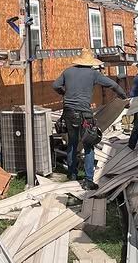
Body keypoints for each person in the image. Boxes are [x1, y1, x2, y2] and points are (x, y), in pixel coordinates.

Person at [53, 48, 127, 190]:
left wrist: (64, 92)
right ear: (90, 62)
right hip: (84, 115)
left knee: (72, 142)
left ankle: (72, 174)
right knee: (88, 144)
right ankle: (88, 180)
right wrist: (124, 97)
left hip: (68, 113)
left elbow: (55, 85)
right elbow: (113, 85)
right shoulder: (93, 74)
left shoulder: (68, 72)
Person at [127, 70, 138, 150]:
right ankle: (131, 145)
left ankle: (131, 145)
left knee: (137, 127)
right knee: (137, 126)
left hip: (137, 103)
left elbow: (133, 93)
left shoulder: (137, 77)